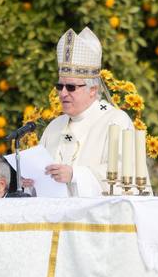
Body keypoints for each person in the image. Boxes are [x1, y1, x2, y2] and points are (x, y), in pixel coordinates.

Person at [41, 27, 137, 196]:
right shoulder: (54, 127)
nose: (63, 93)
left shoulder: (115, 121)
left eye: (71, 87)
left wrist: (75, 175)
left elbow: (125, 174)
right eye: (60, 86)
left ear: (93, 90)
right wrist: (31, 181)